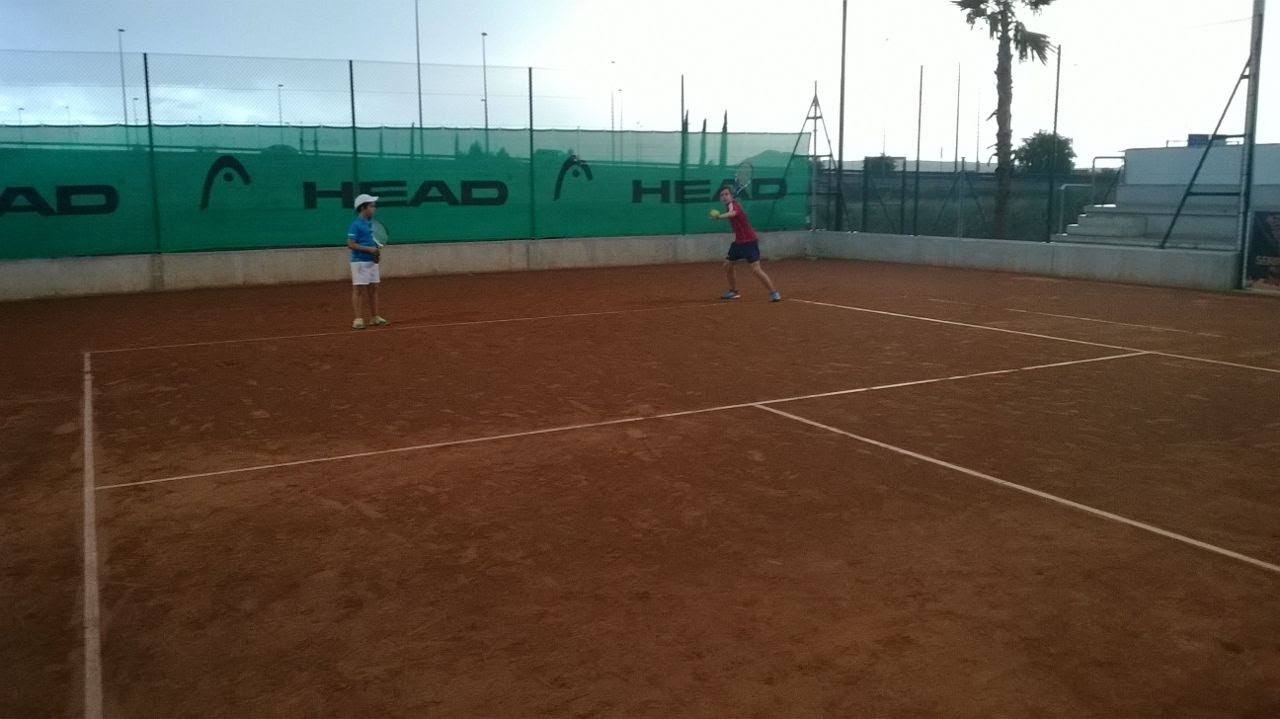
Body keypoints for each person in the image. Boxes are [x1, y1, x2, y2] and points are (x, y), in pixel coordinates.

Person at [712, 185, 781, 301]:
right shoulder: (729, 206)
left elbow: (733, 213)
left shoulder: (735, 205)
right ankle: (733, 291)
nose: (724, 197)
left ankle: (773, 292)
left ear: (732, 196)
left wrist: (719, 216)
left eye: (726, 194)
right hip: (738, 242)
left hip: (749, 241)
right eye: (722, 195)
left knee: (756, 270)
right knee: (727, 265)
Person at [347, 193, 389, 329]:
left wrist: (376, 254)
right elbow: (351, 244)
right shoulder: (355, 225)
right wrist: (370, 250)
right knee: (358, 290)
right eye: (371, 206)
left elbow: (373, 242)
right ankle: (358, 319)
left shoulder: (371, 223)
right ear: (363, 208)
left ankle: (375, 317)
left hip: (371, 261)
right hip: (359, 262)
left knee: (373, 289)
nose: (374, 208)